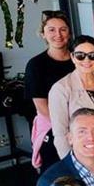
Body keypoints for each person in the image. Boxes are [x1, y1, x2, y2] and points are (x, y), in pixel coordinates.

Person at [48, 36, 94, 160]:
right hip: (86, 152)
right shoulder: (61, 89)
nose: (87, 60)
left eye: (92, 55)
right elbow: (60, 134)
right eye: (80, 55)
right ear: (72, 57)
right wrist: (71, 164)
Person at [25, 10, 74, 172]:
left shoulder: (79, 59)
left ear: (69, 32)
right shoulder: (36, 65)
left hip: (82, 127)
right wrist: (67, 129)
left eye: (63, 29)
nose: (58, 34)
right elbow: (41, 107)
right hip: (54, 128)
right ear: (43, 34)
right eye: (51, 30)